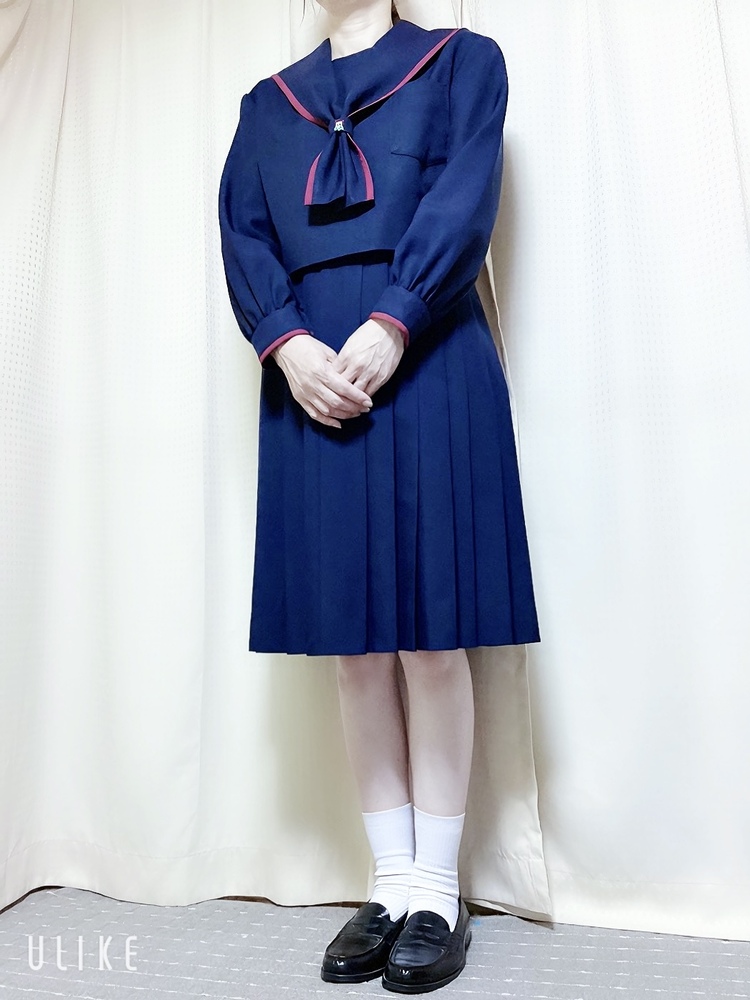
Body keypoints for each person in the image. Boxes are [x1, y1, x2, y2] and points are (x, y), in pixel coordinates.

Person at [218, 0, 541, 992]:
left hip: (429, 354)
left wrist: (396, 317)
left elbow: (463, 200)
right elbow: (243, 234)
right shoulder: (266, 104)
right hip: (312, 375)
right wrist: (285, 343)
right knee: (355, 649)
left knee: (433, 639)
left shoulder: (463, 63)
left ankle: (437, 890)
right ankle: (390, 881)